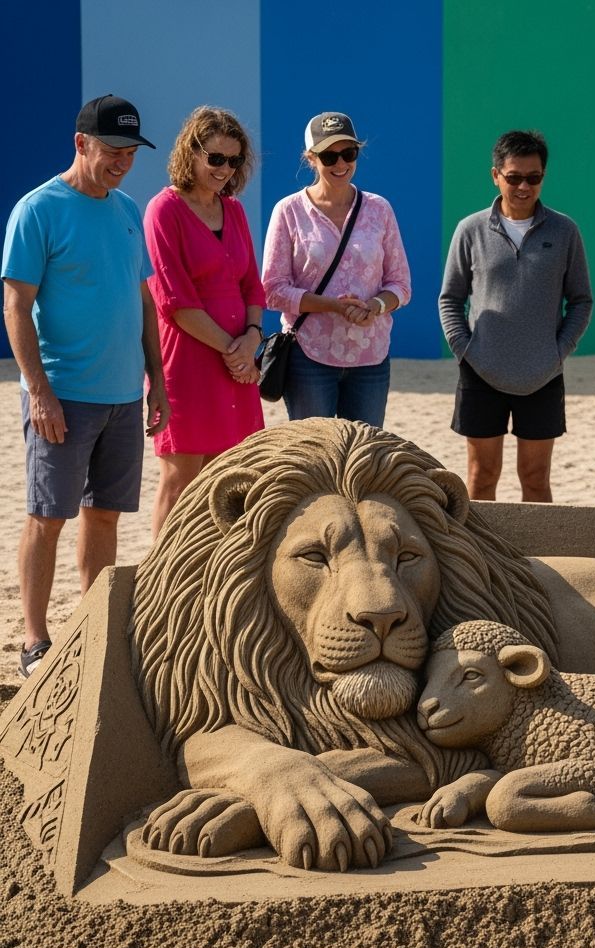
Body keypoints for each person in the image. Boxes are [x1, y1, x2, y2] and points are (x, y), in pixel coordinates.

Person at [1, 94, 169, 678]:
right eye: (113, 149)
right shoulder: (38, 210)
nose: (123, 161)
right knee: (47, 517)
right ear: (81, 143)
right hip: (63, 396)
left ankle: (93, 630)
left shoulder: (126, 209)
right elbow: (15, 306)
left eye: (131, 151)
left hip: (124, 396)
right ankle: (34, 641)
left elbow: (143, 302)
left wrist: (157, 382)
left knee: (105, 517)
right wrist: (39, 391)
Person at [439, 130, 592, 502]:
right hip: (480, 373)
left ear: (543, 176)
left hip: (543, 375)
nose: (524, 186)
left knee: (536, 479)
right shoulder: (470, 230)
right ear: (496, 175)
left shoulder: (565, 231)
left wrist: (557, 353)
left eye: (533, 177)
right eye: (514, 177)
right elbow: (450, 299)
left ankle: (539, 544)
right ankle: (480, 543)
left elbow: (581, 301)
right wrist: (466, 351)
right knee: (481, 477)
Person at [144, 106, 265, 536]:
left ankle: (212, 570)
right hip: (187, 363)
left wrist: (251, 338)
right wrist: (235, 351)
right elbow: (175, 302)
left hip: (237, 363)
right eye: (215, 158)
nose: (224, 169)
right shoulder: (163, 210)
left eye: (233, 160)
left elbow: (253, 286)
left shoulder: (234, 210)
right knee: (181, 479)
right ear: (190, 152)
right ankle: (162, 572)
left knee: (230, 479)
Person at [262, 112, 410, 427]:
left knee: (364, 450)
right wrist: (333, 306)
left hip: (371, 357)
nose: (341, 163)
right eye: (329, 156)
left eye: (349, 153)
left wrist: (374, 306)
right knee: (315, 450)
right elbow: (273, 290)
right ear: (310, 158)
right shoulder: (288, 211)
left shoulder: (379, 209)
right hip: (308, 355)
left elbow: (400, 284)